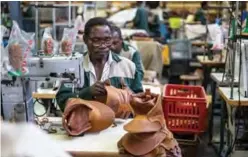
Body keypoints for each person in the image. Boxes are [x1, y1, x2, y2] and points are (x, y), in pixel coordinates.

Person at [56, 17, 143, 112]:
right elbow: (62, 101)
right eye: (96, 40)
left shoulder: (128, 67)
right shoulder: (72, 67)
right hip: (85, 124)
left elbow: (140, 103)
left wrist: (124, 95)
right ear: (85, 39)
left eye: (107, 40)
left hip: (119, 125)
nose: (102, 45)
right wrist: (87, 93)